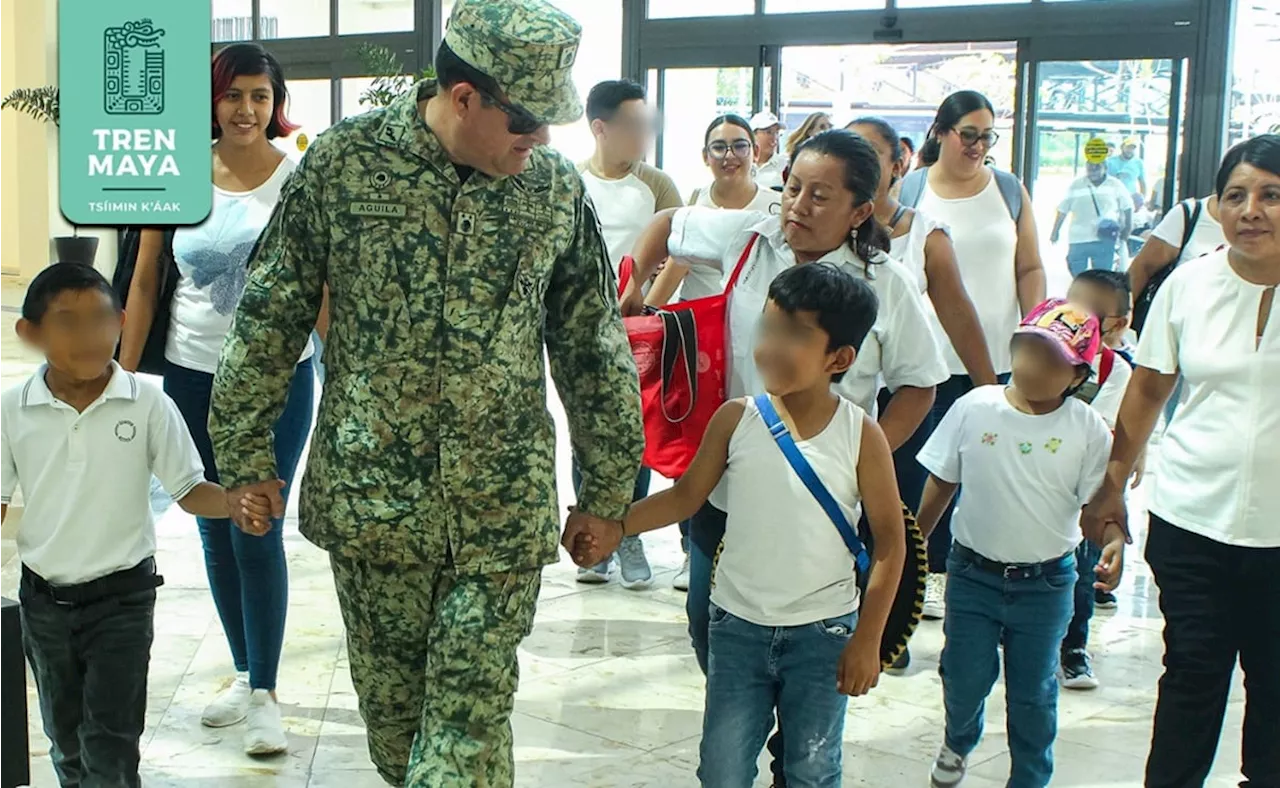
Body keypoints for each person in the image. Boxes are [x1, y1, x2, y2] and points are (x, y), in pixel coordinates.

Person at [206, 1, 645, 785]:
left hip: (499, 512)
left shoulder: (549, 191)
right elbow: (270, 313)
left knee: (466, 726)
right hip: (377, 508)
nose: (540, 138)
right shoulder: (343, 167)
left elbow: (591, 345)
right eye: (526, 119)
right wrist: (245, 455)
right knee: (399, 731)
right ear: (465, 96)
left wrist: (608, 492)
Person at [623, 129, 947, 787]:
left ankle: (794, 748)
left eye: (819, 195)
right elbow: (665, 224)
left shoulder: (888, 284)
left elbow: (920, 382)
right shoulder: (748, 236)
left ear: (861, 211)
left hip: (820, 509)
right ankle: (751, 718)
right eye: (793, 186)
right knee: (710, 630)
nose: (796, 205)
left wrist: (861, 452)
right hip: (728, 483)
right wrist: (631, 292)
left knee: (808, 704)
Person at [571, 264, 905, 788]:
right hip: (737, 629)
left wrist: (868, 639)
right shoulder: (736, 418)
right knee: (722, 769)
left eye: (795, 334)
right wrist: (617, 527)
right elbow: (685, 497)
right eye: (769, 326)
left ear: (839, 358)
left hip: (823, 633)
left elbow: (889, 543)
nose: (772, 345)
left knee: (812, 769)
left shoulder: (860, 435)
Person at [116, 42, 320, 755]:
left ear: (276, 103)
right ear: (212, 99)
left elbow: (320, 291)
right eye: (234, 95)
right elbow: (143, 281)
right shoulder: (174, 176)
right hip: (191, 372)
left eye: (260, 96)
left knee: (256, 522)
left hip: (276, 378)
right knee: (212, 522)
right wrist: (122, 375)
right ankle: (243, 671)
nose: (247, 110)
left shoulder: (297, 180)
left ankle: (265, 692)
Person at [6, 263, 275, 788]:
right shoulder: (12, 409)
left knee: (111, 743)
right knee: (66, 742)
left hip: (123, 601)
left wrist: (235, 503)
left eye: (101, 320)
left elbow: (189, 489)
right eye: (68, 322)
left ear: (122, 322)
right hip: (43, 604)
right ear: (29, 333)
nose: (89, 336)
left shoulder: (148, 401)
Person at [1083, 134, 1280, 788]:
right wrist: (1112, 484)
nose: (1251, 209)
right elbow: (1148, 388)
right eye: (1236, 195)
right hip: (1192, 518)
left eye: (1271, 195)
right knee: (1193, 673)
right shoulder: (1189, 285)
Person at [917, 298, 1124, 788]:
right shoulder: (975, 407)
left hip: (1047, 583)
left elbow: (1100, 507)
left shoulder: (1087, 430)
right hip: (972, 575)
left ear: (1077, 377)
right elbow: (943, 480)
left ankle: (1030, 776)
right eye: (1027, 349)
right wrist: (913, 543)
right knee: (963, 677)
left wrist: (1114, 540)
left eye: (1052, 359)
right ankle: (957, 741)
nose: (1033, 365)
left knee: (1033, 692)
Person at [846, 116, 996, 671]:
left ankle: (888, 626)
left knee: (895, 513)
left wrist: (990, 392)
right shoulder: (829, 225)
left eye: (871, 154)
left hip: (905, 399)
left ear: (897, 164)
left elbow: (957, 311)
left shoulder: (925, 234)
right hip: (841, 397)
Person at [900, 90, 1046, 622]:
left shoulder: (1008, 190)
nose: (979, 146)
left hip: (1001, 359)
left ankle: (975, 572)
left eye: (988, 136)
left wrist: (1035, 327)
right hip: (928, 363)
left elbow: (1029, 267)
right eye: (970, 135)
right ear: (941, 132)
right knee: (925, 474)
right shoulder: (912, 191)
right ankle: (925, 573)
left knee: (988, 468)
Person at [575, 78, 683, 589]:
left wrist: (644, 308)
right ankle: (592, 536)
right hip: (581, 331)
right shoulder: (573, 183)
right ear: (600, 128)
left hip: (642, 332)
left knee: (632, 435)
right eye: (633, 125)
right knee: (585, 433)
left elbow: (679, 251)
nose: (644, 135)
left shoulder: (656, 185)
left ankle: (629, 533)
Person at [1058, 270, 1139, 690]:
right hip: (1039, 478)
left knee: (1083, 562)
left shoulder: (1116, 371)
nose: (1075, 320)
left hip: (1088, 482)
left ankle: (1074, 645)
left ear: (1118, 324)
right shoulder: (1043, 348)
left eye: (1089, 313)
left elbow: (1105, 429)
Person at [646, 114, 782, 307]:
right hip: (698, 323)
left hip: (756, 324)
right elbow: (676, 267)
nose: (729, 155)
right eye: (719, 148)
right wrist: (642, 317)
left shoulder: (777, 208)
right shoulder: (692, 205)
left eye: (740, 146)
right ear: (705, 156)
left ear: (756, 152)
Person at [1128, 189, 1226, 429]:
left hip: (1245, 345)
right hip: (1184, 342)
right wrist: (1121, 319)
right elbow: (1142, 269)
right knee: (1182, 420)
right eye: (1236, 193)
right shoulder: (1191, 214)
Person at [1050, 161, 1134, 275]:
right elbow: (1063, 210)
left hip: (1104, 238)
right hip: (1078, 238)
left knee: (1102, 278)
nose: (1093, 170)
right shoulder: (1076, 185)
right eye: (1090, 167)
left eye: (1097, 167)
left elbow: (1127, 207)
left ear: (1105, 168)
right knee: (1078, 277)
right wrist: (1055, 231)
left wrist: (1128, 228)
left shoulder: (1115, 185)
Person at [781, 112, 832, 181]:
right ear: (810, 132)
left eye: (830, 126)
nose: (827, 130)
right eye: (822, 127)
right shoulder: (798, 157)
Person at [751, 110, 788, 191]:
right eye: (769, 132)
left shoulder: (785, 167)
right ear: (753, 135)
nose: (774, 138)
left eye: (777, 132)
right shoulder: (742, 164)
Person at [1106, 136, 1147, 207]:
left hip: (1131, 199)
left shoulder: (1138, 163)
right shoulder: (1110, 161)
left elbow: (1143, 183)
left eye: (1133, 148)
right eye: (1128, 147)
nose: (1130, 150)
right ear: (1122, 147)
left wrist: (1142, 199)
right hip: (1112, 198)